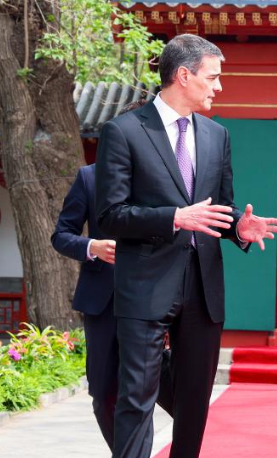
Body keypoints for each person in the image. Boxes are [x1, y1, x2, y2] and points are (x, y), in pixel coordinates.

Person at [95, 34, 277, 458]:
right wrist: (173, 218)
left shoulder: (217, 135)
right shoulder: (123, 131)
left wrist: (239, 228)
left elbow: (220, 207)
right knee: (136, 399)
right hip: (145, 286)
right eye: (212, 77)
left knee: (194, 402)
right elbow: (109, 215)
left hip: (203, 287)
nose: (219, 86)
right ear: (183, 75)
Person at [50, 99, 174, 451]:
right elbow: (61, 235)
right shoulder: (89, 178)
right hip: (103, 302)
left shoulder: (169, 181)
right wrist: (92, 246)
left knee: (150, 390)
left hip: (155, 300)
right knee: (103, 392)